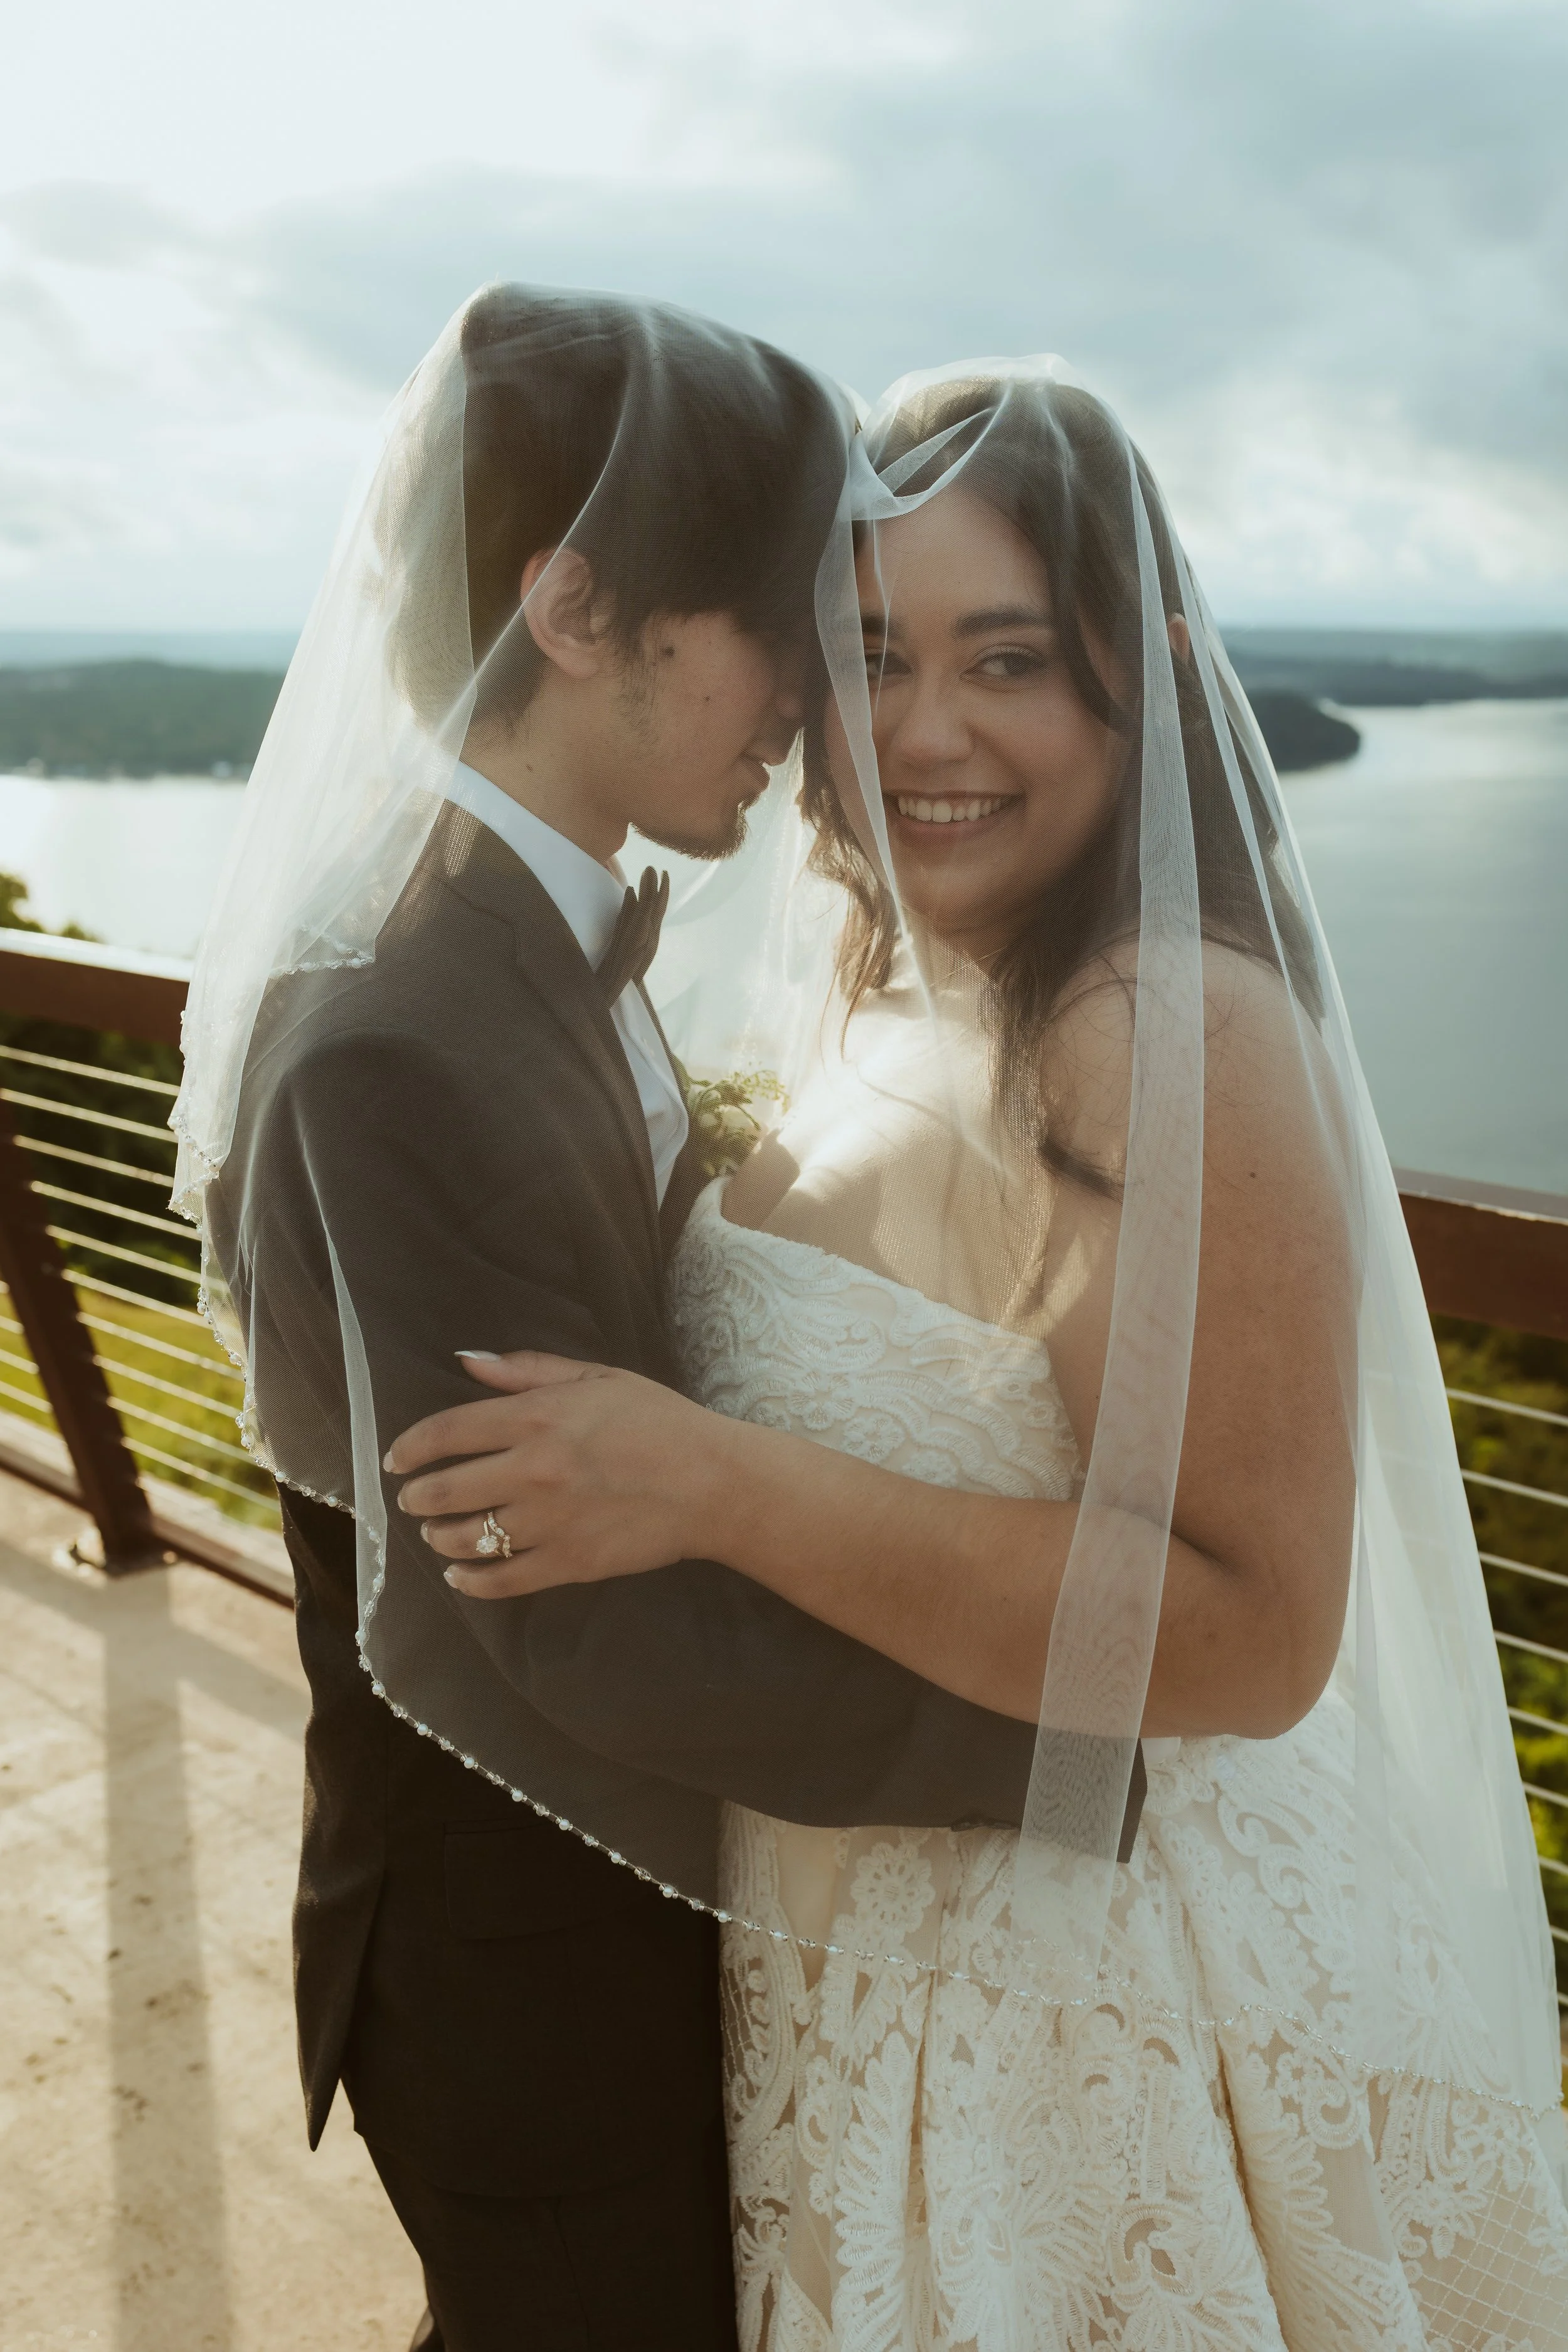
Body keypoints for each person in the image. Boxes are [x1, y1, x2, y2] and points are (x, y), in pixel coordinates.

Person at [388, 363, 1568, 2347]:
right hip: (862, 1944)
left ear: (1144, 675)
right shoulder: (903, 969)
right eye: (865, 660)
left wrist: (700, 1474)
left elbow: (1252, 1632)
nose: (922, 733)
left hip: (1089, 1996)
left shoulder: (1148, 1021)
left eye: (1004, 660)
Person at [172, 296, 1099, 2352]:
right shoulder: (418, 1025)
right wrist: (1071, 1759)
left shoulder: (511, 920)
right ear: (571, 604)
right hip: (532, 1973)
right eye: (778, 622)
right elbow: (570, 1616)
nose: (821, 698)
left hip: (567, 1921)